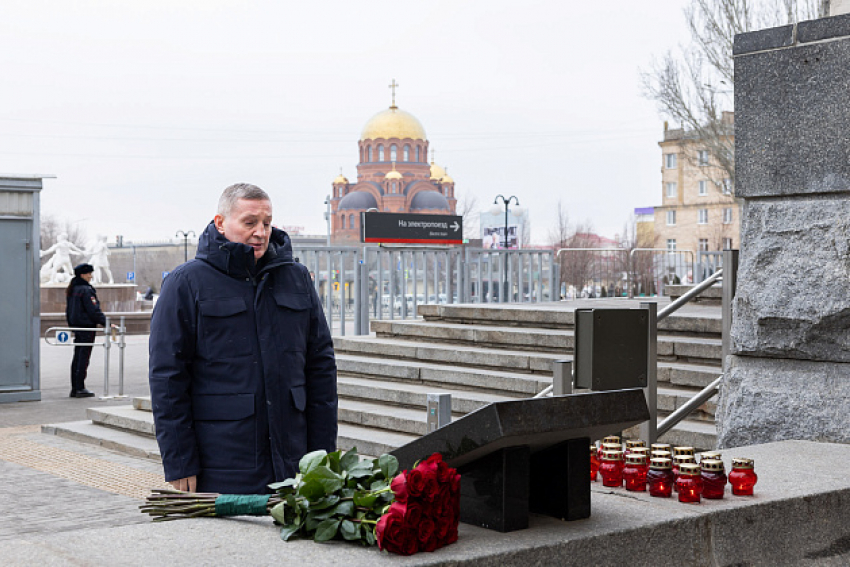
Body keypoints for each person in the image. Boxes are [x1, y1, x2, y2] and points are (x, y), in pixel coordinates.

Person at [148, 183, 338, 495]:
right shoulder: (186, 284)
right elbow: (168, 379)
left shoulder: (296, 278)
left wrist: (323, 457)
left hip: (294, 462)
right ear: (221, 223)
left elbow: (321, 368)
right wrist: (180, 461)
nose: (261, 232)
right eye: (249, 223)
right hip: (223, 465)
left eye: (266, 222)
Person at [66, 263, 106, 398]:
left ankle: (75, 387)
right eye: (89, 273)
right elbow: (93, 310)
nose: (91, 276)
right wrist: (106, 323)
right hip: (87, 327)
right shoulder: (86, 290)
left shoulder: (73, 289)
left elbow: (69, 310)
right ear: (83, 275)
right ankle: (80, 388)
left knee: (77, 357)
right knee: (84, 357)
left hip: (77, 327)